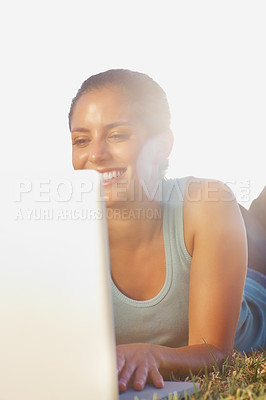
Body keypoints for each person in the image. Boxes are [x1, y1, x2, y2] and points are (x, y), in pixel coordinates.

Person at [68, 69, 266, 393]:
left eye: (117, 135)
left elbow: (216, 352)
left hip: (255, 274)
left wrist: (152, 354)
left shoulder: (206, 205)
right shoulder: (59, 236)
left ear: (162, 145)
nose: (96, 154)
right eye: (81, 140)